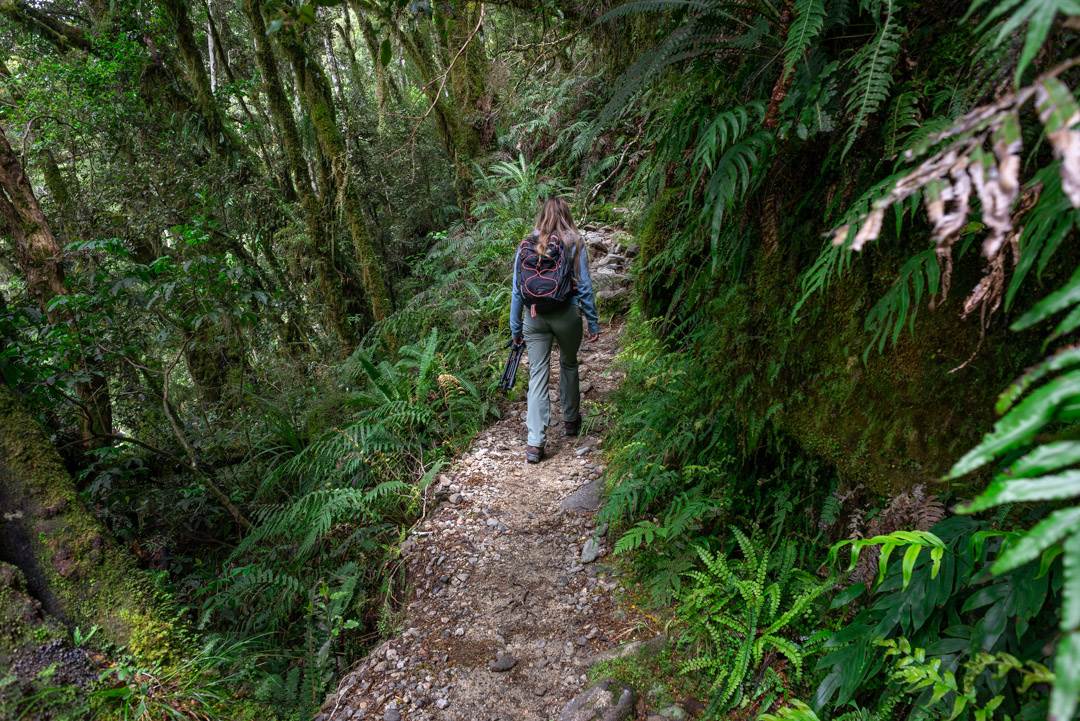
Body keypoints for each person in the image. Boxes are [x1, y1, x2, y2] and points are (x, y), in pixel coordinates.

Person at [510, 197, 600, 463]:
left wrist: (515, 327)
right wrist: (592, 321)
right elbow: (584, 286)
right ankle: (571, 420)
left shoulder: (527, 243)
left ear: (542, 215)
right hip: (567, 315)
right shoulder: (574, 242)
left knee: (537, 374)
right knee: (569, 363)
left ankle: (535, 443)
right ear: (566, 214)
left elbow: (517, 290)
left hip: (534, 317)